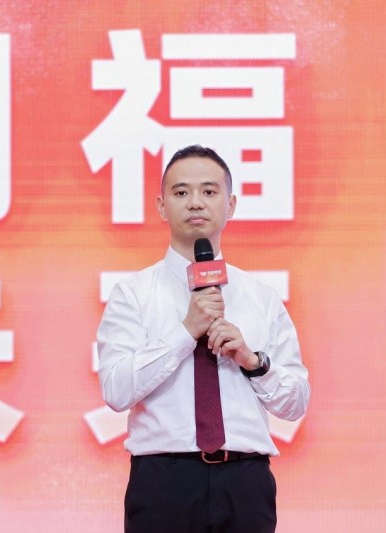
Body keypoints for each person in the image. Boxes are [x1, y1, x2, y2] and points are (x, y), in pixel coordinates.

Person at [97, 145, 310, 533]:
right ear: (161, 206)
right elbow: (115, 390)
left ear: (231, 205)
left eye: (209, 191)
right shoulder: (133, 294)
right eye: (181, 192)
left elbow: (296, 402)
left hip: (245, 482)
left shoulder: (260, 297)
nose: (195, 202)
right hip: (164, 481)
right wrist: (184, 332)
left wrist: (253, 362)